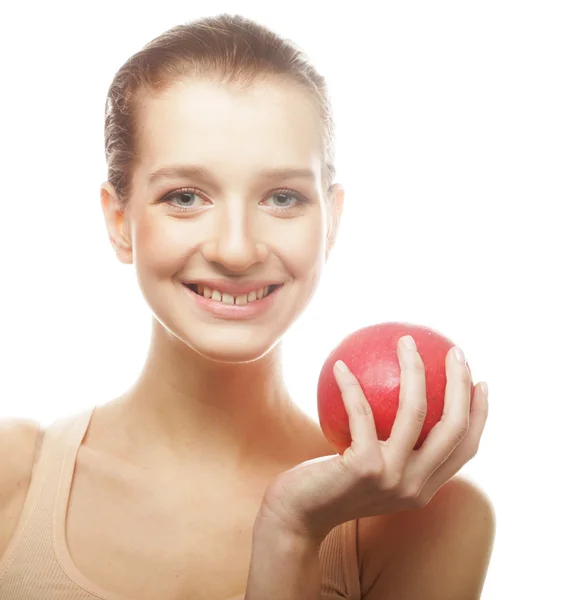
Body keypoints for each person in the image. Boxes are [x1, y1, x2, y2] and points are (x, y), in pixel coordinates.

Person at [0, 13, 495, 600]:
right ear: (119, 221)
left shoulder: (417, 521)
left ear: (330, 222)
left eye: (282, 197)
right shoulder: (15, 476)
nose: (235, 250)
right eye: (185, 197)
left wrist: (292, 530)